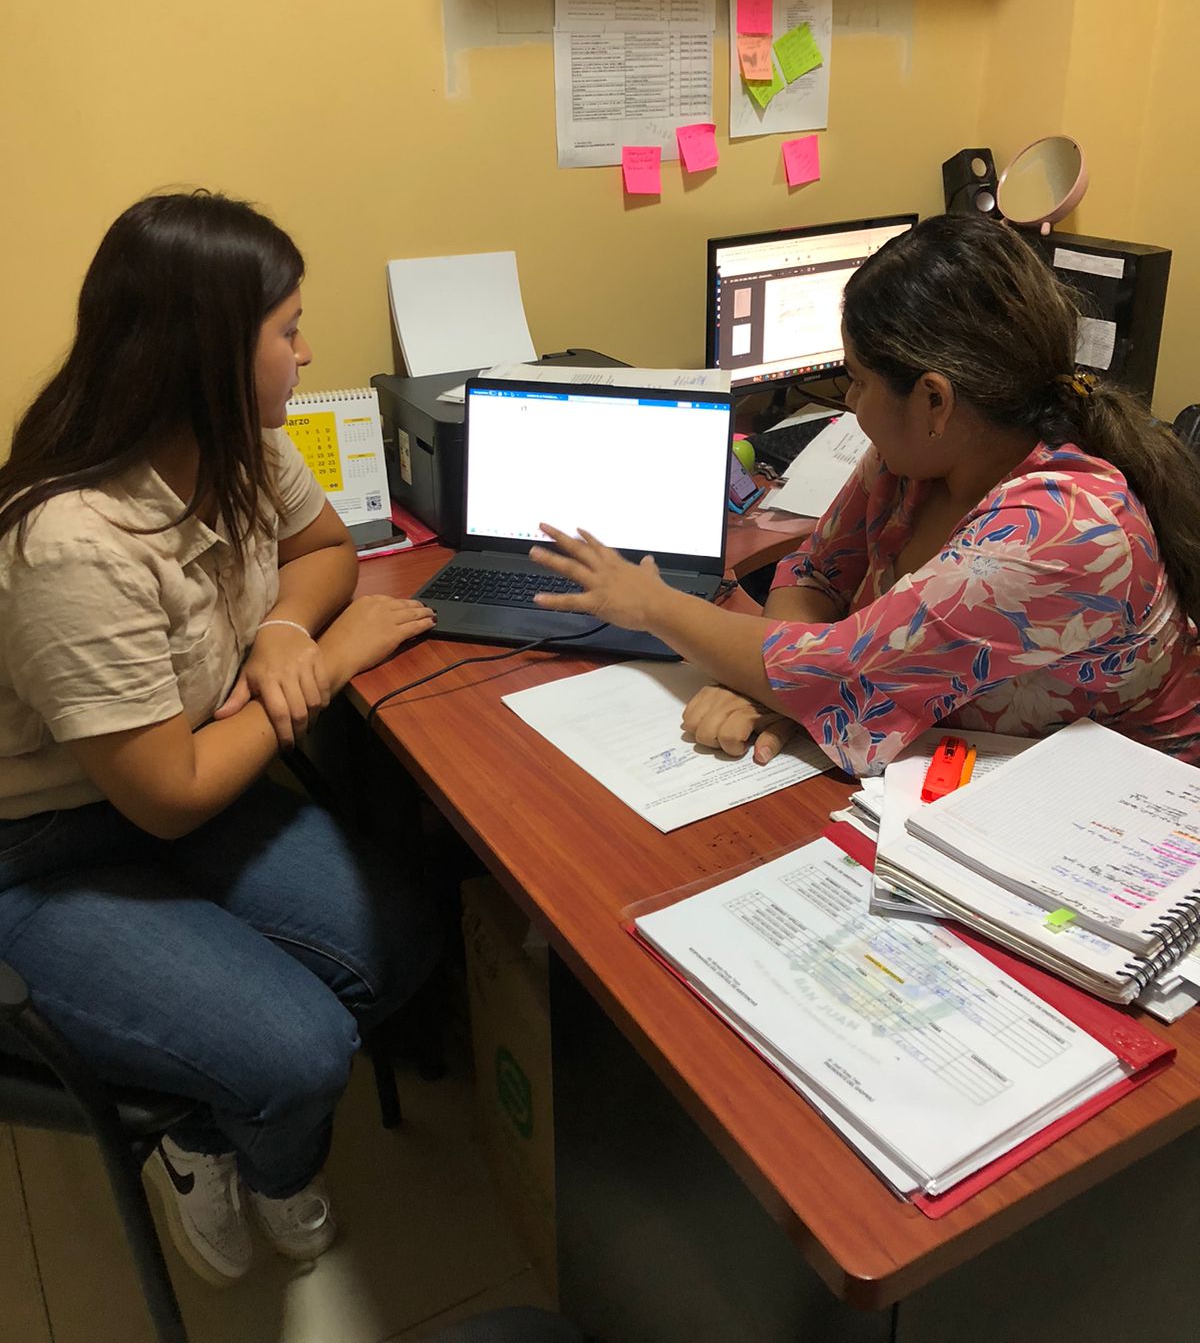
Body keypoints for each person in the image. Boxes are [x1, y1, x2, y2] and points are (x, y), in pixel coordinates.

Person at [0, 191, 440, 1285]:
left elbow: (327, 548)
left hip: (182, 778)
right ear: (205, 353)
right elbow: (171, 796)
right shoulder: (72, 544)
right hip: (44, 848)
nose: (307, 351)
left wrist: (286, 632)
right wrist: (329, 664)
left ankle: (217, 1101)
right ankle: (221, 1146)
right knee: (298, 1050)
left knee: (400, 937)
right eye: (289, 329)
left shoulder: (236, 445)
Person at [529, 215, 1200, 774]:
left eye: (856, 380)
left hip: (1102, 808)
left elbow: (846, 674)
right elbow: (815, 575)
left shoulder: (1056, 533)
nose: (850, 402)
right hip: (966, 764)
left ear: (933, 399)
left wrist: (652, 605)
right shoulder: (914, 460)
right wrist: (780, 689)